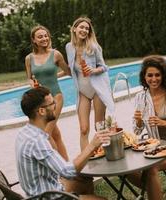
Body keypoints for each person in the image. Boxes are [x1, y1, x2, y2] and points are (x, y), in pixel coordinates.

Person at [16, 86, 108, 200]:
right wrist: (92, 146)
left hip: (45, 190)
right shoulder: (37, 141)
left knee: (83, 178)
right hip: (48, 197)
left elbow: (60, 167)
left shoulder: (24, 132)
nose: (56, 105)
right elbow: (67, 171)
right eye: (52, 103)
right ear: (41, 111)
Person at [131, 55, 166, 200]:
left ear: (163, 75)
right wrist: (138, 121)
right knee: (127, 170)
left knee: (151, 168)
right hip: (155, 147)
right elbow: (137, 131)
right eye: (150, 75)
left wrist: (164, 123)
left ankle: (154, 193)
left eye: (157, 75)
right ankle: (154, 191)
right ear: (144, 77)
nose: (154, 79)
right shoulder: (140, 97)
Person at [65, 17, 115, 151]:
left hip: (97, 90)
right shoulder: (69, 47)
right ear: (74, 29)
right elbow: (71, 69)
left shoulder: (93, 47)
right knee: (83, 129)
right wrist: (55, 75)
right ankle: (86, 160)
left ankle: (107, 155)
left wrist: (93, 70)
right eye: (81, 27)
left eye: (87, 28)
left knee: (99, 126)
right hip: (83, 92)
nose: (84, 30)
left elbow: (104, 67)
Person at [25, 25, 71, 161]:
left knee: (45, 134)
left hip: (55, 98)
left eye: (46, 36)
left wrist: (55, 76)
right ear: (34, 40)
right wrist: (32, 84)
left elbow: (68, 72)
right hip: (40, 102)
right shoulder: (29, 58)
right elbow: (29, 77)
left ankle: (60, 168)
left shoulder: (55, 54)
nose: (44, 38)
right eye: (40, 37)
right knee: (55, 135)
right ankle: (67, 165)